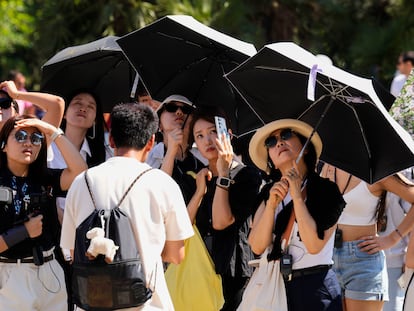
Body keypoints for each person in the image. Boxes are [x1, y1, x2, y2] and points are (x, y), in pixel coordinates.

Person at [60, 103, 194, 310]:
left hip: (92, 303)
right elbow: (176, 255)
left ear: (111, 139)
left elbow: (71, 249)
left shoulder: (81, 182)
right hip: (147, 303)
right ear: (150, 142)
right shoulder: (162, 183)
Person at [248, 119, 345, 311]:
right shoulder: (268, 192)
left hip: (317, 289)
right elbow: (257, 246)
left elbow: (314, 245)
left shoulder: (326, 190)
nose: (279, 143)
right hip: (276, 286)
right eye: (271, 142)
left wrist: (298, 198)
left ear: (306, 148)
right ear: (271, 161)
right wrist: (271, 207)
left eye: (286, 135)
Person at [0, 114, 87, 310]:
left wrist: (52, 132)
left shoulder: (44, 178)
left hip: (50, 269)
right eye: (20, 136)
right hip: (10, 273)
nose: (28, 143)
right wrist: (24, 231)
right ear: (3, 145)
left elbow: (80, 171)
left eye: (36, 138)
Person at [186, 106, 262, 310]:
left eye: (212, 132)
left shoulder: (248, 175)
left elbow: (221, 222)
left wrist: (223, 175)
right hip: (200, 267)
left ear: (227, 134)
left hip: (232, 271)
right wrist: (200, 191)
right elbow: (184, 226)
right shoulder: (198, 177)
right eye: (199, 136)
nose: (207, 140)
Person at [320, 164, 414, 311]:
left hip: (362, 260)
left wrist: (393, 238)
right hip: (326, 259)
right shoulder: (327, 166)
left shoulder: (376, 170)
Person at [146, 94, 206, 203]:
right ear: (159, 124)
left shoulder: (204, 158)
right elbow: (158, 197)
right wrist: (171, 151)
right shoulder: (147, 158)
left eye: (186, 109)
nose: (179, 112)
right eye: (171, 108)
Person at [0, 80, 64, 131]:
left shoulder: (29, 139)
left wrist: (16, 94)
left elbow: (56, 104)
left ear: (16, 114)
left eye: (4, 103)